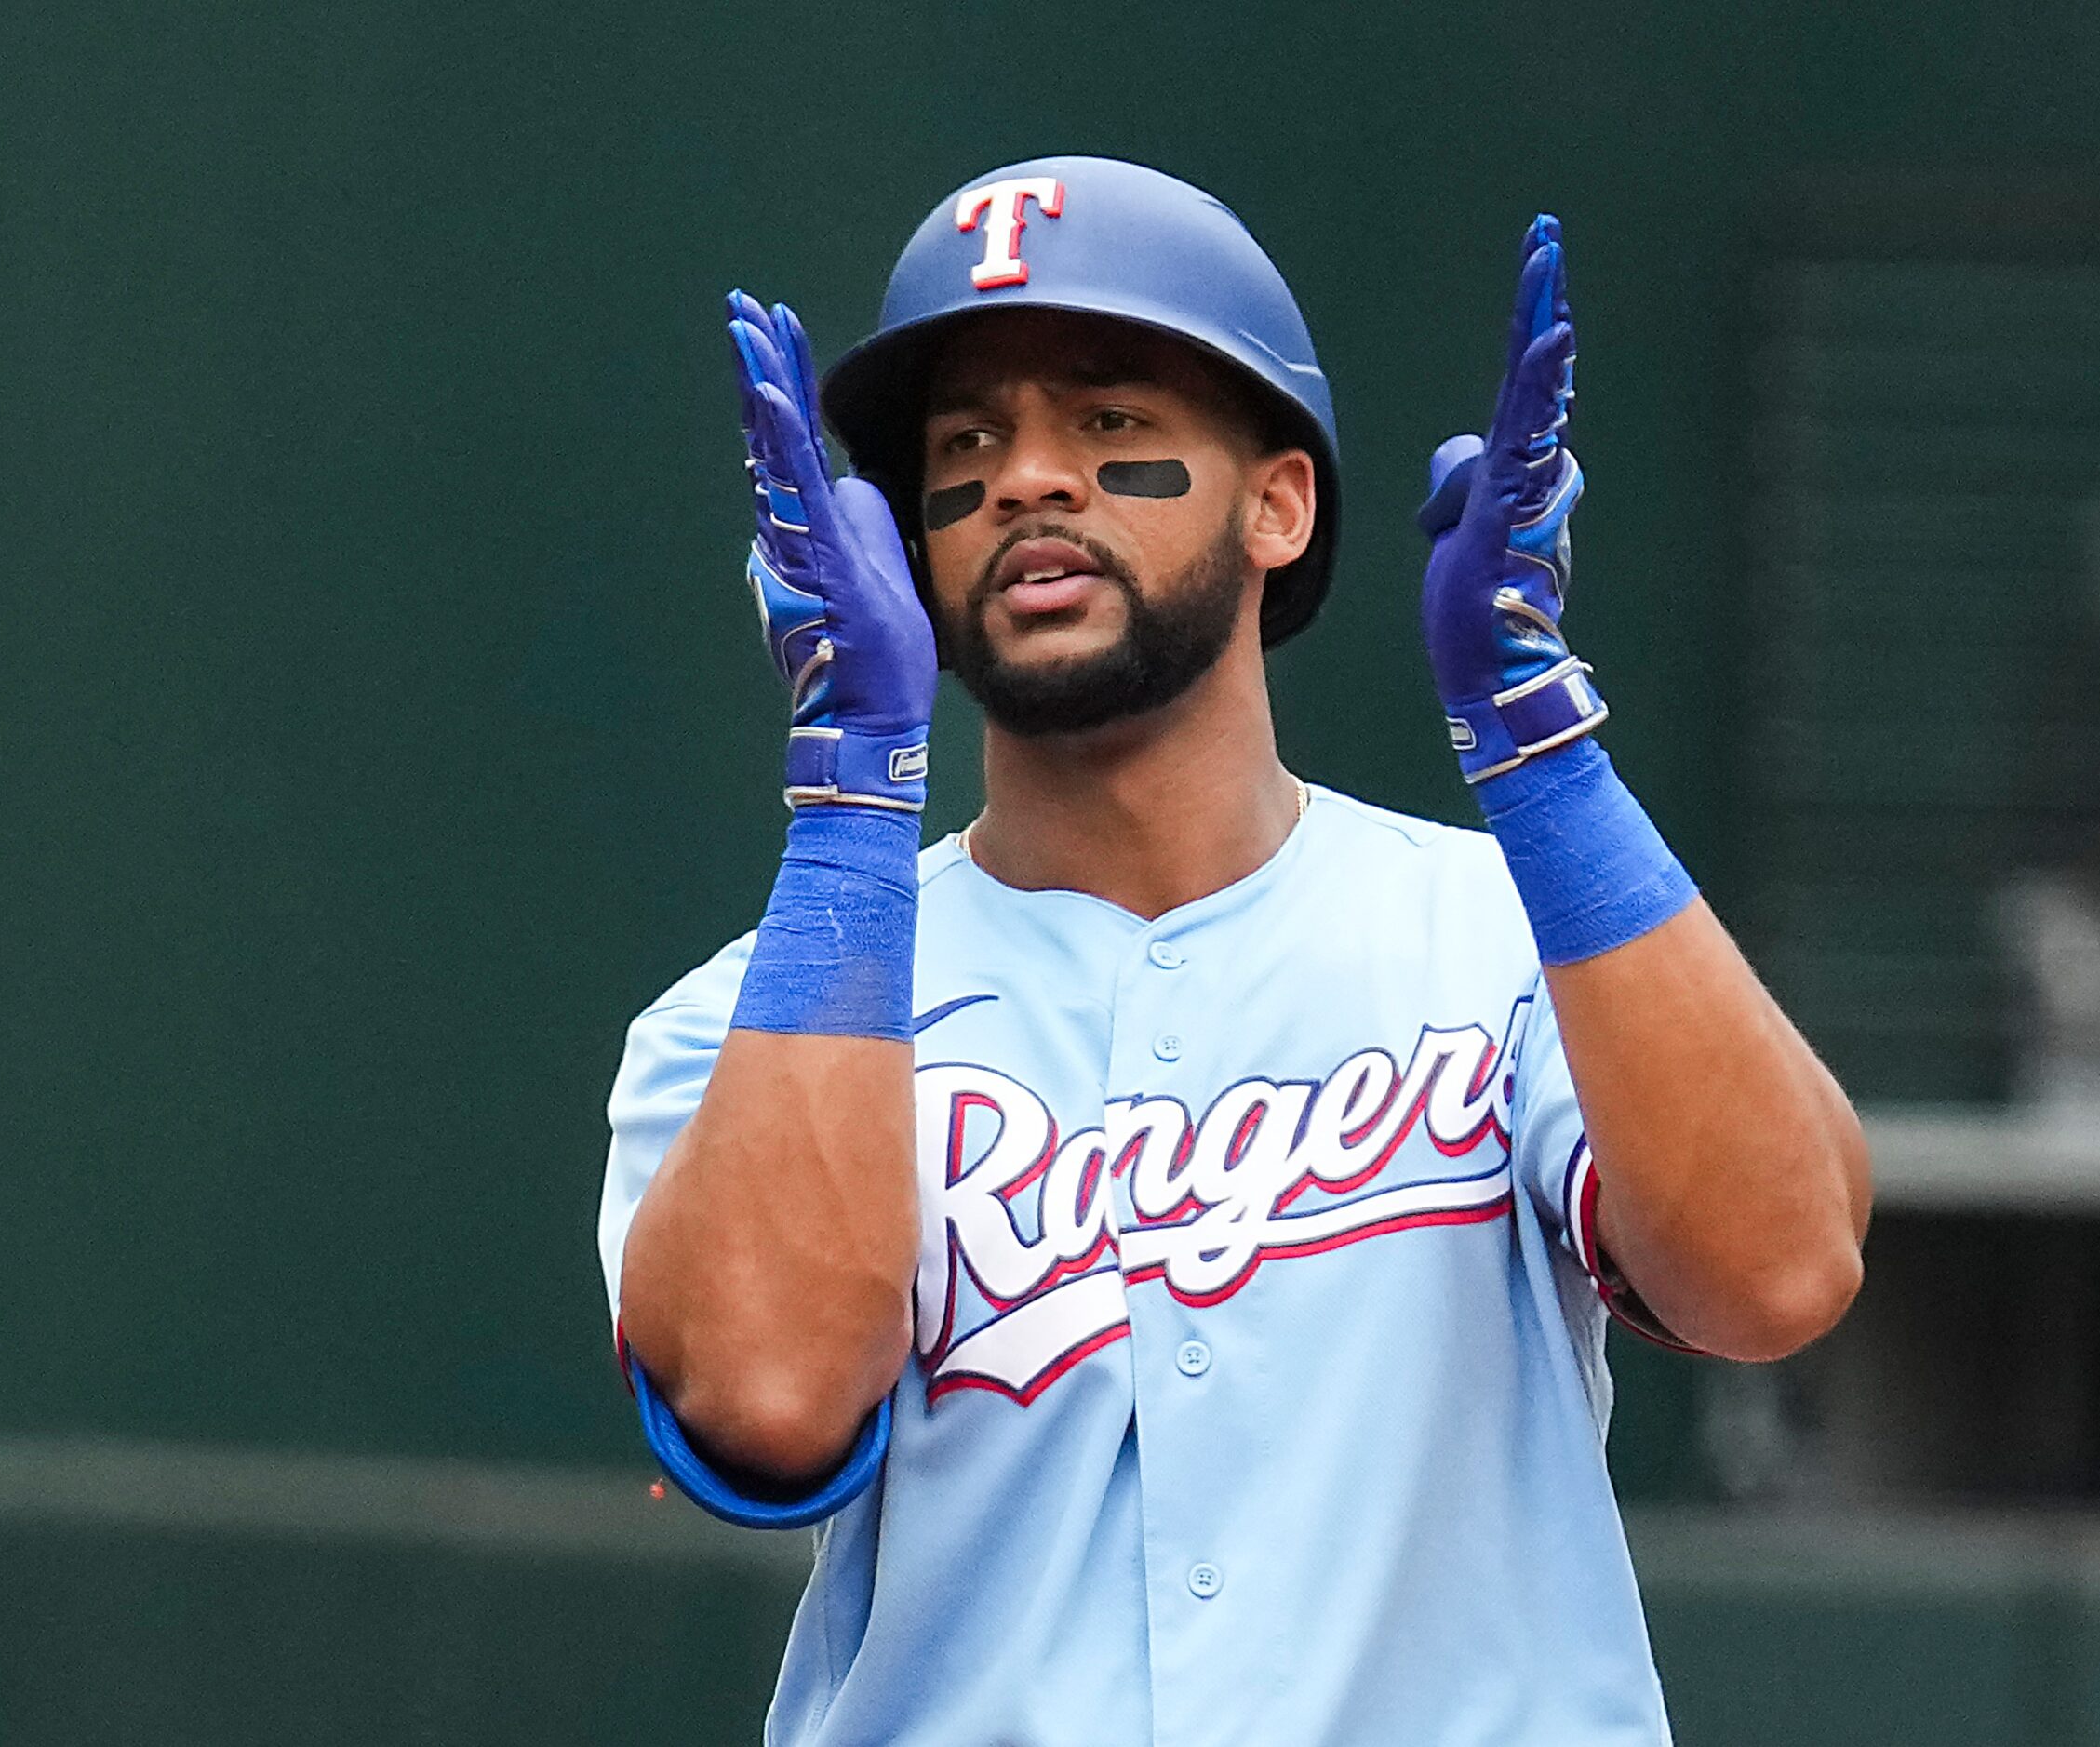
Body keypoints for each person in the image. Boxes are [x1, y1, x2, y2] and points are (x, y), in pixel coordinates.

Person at [595, 154, 1870, 1745]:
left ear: (1281, 501)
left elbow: (1781, 1270)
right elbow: (768, 1401)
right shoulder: (757, 1020)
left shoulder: (1507, 934)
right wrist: (851, 781)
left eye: (1111, 422)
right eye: (966, 444)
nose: (1027, 479)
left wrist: (1542, 742)